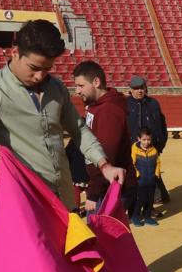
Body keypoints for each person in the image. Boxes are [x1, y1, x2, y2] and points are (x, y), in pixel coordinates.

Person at [0, 19, 124, 272]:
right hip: (22, 199)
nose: (40, 76)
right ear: (14, 53)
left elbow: (78, 130)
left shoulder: (56, 88)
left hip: (61, 196)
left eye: (47, 69)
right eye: (34, 68)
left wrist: (103, 163)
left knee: (69, 269)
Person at [73, 60, 134, 215]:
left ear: (96, 82)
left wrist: (93, 193)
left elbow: (108, 153)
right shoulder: (97, 106)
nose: (77, 91)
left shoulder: (109, 110)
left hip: (107, 190)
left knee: (102, 236)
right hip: (103, 186)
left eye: (81, 86)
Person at [126, 75, 171, 207]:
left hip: (151, 146)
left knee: (151, 173)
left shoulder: (153, 104)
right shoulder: (125, 104)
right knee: (134, 174)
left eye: (141, 88)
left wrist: (160, 144)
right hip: (132, 147)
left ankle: (155, 199)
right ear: (131, 89)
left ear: (145, 88)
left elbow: (161, 125)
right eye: (136, 88)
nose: (139, 91)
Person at [130, 127, 161, 227]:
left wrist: (157, 174)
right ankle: (135, 216)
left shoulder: (154, 150)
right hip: (140, 181)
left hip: (151, 180)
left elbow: (158, 162)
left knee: (150, 199)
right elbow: (132, 164)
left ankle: (147, 217)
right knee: (140, 200)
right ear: (138, 139)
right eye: (144, 139)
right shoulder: (135, 150)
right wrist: (137, 175)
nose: (146, 142)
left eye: (148, 139)